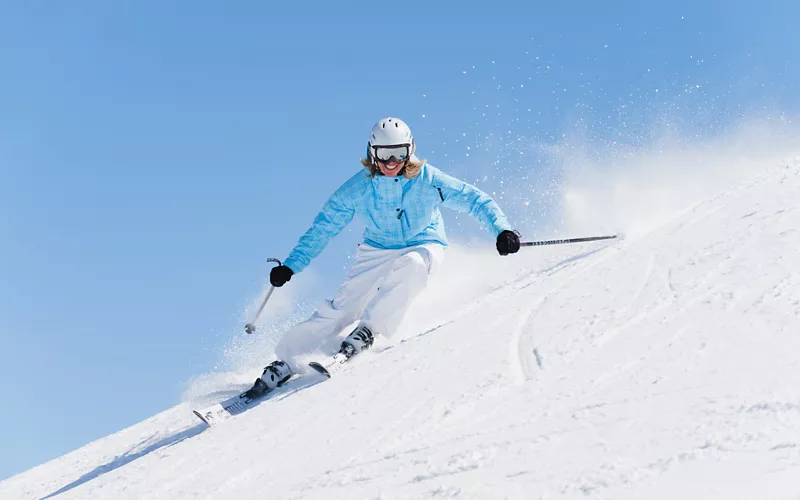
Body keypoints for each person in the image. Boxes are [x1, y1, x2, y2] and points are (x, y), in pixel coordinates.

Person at [246, 117, 520, 398]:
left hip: (424, 242)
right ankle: (287, 360)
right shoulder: (359, 189)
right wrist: (292, 265)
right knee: (344, 306)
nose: (391, 162)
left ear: (410, 150)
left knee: (412, 265)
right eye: (383, 155)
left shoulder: (428, 180)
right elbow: (323, 228)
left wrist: (502, 230)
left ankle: (368, 330)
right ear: (371, 153)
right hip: (377, 247)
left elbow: (474, 200)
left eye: (399, 154)